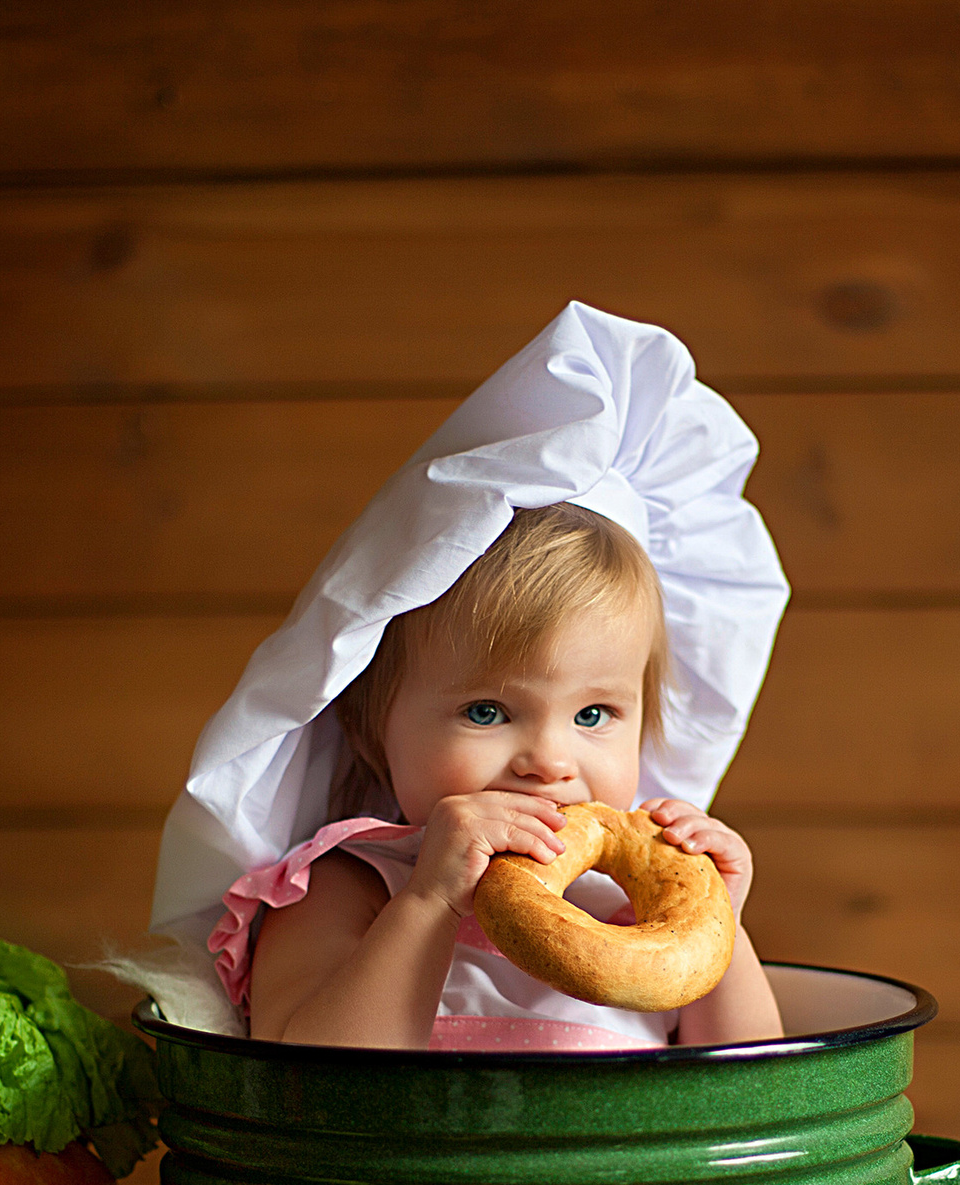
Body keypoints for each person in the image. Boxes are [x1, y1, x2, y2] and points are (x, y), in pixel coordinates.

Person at [149, 303, 789, 1049]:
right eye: (487, 711)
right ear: (369, 724)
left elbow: (749, 1083)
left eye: (594, 716)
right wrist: (429, 902)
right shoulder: (347, 886)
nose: (549, 761)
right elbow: (315, 1080)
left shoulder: (626, 911)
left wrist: (719, 926)